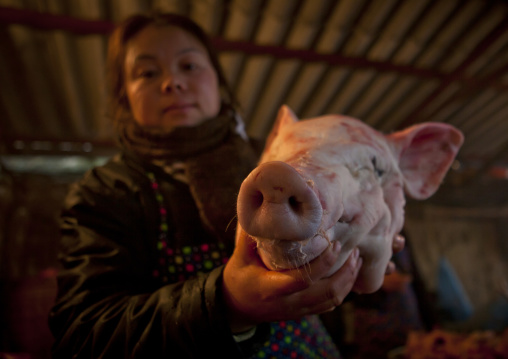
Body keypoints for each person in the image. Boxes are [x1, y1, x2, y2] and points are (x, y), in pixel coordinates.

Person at [48, 12, 403, 358]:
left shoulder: (273, 157)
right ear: (124, 96)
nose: (172, 82)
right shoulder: (106, 193)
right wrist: (226, 303)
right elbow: (82, 334)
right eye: (147, 72)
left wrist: (353, 253)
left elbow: (325, 261)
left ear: (217, 80)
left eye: (189, 66)